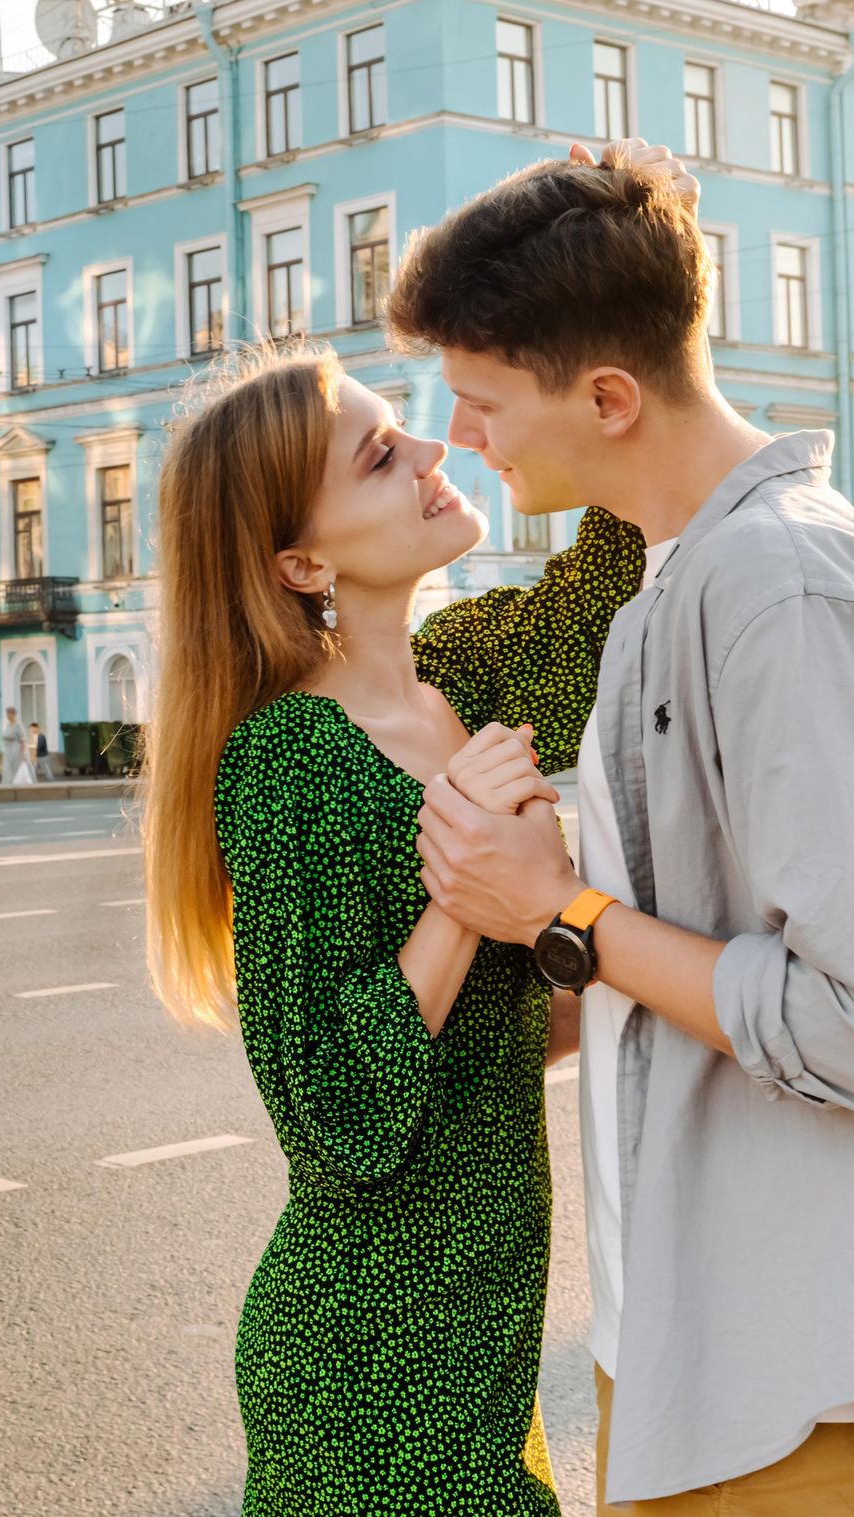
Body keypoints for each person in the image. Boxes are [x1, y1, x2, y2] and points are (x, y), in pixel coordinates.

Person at [396, 152, 854, 1516]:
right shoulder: (678, 577)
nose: (460, 436)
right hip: (697, 1359)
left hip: (813, 1388)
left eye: (483, 400)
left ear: (607, 398)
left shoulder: (781, 585)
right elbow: (692, 959)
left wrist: (559, 911)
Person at [142, 345, 647, 1514]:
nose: (430, 450)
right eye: (379, 456)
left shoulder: (460, 679)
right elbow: (338, 1115)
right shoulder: (288, 756)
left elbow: (613, 574)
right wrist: (465, 883)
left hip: (480, 1339)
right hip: (367, 1360)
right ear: (302, 561)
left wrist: (596, 318)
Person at [2, 707, 35, 785]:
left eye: (9, 714)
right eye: (7, 714)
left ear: (13, 714)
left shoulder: (18, 725)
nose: (7, 716)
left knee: (16, 767)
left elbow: (22, 739)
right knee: (8, 768)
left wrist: (23, 752)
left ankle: (19, 783)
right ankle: (8, 783)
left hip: (16, 750)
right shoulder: (9, 725)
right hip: (9, 751)